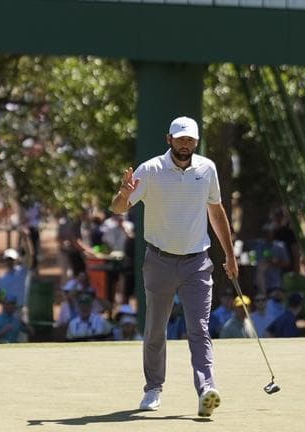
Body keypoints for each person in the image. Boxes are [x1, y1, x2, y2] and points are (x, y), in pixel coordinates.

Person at [110, 116, 238, 418]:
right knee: (155, 328)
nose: (184, 144)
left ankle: (206, 388)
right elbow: (118, 207)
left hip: (197, 262)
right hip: (159, 261)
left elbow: (216, 211)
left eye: (190, 139)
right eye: (180, 139)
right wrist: (124, 194)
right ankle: (153, 387)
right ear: (169, 139)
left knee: (200, 328)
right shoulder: (151, 170)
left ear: (196, 142)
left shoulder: (207, 169)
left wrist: (230, 255)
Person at [0, 248, 29, 314]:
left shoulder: (23, 271)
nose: (9, 262)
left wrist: (26, 240)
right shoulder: (2, 278)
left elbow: (29, 256)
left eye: (12, 260)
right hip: (7, 311)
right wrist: (4, 301)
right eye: (7, 260)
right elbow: (2, 295)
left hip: (20, 310)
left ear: (16, 260)